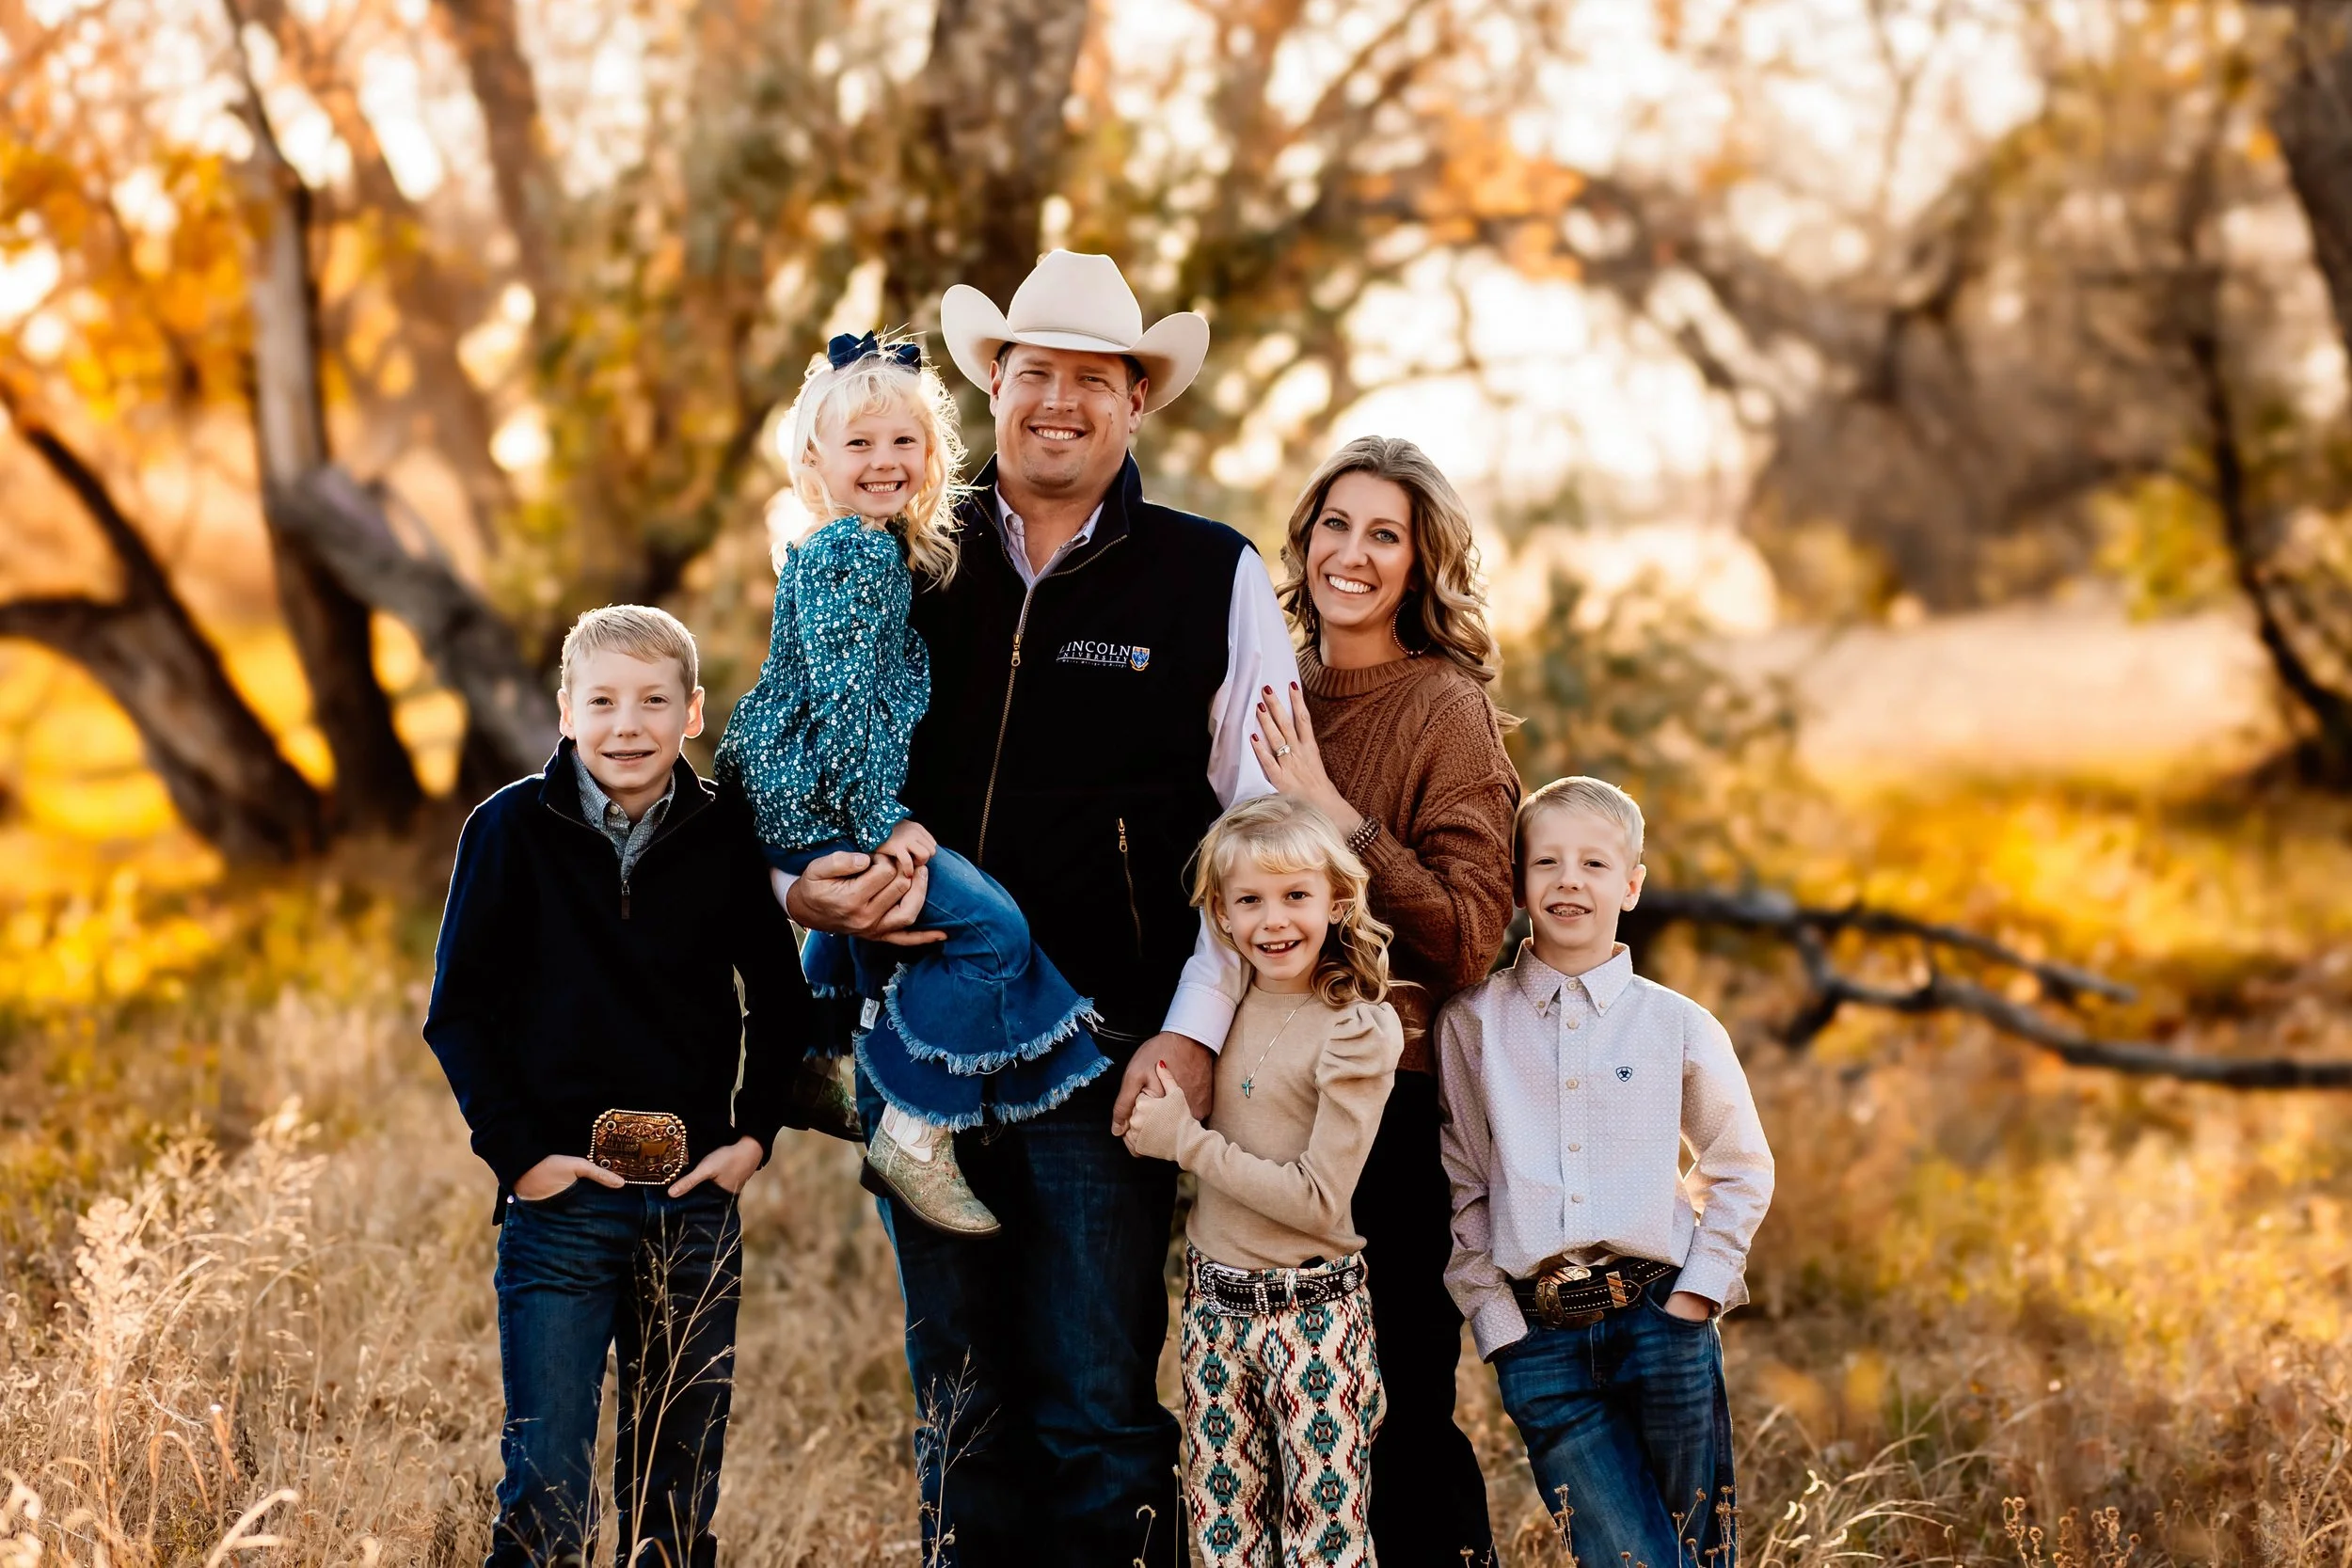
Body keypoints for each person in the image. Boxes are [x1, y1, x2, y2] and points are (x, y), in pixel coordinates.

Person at [776, 250, 1300, 1566]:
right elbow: (785, 746)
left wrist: (1190, 1031)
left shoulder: (1208, 576)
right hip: (921, 1055)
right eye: (1035, 372)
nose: (1058, 402)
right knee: (962, 1411)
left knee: (1097, 1415)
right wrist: (802, 886)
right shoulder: (896, 545)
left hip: (1107, 1060)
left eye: (1092, 379)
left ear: (1137, 402)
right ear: (996, 383)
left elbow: (1262, 837)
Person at [422, 604, 843, 1568]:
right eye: (603, 700)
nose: (627, 724)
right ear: (565, 711)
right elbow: (460, 1013)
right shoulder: (507, 830)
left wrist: (751, 1138)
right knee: (547, 1494)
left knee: (675, 1491)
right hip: (562, 1206)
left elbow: (780, 996)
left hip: (693, 1202)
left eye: (654, 701)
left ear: (691, 712)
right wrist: (523, 1157)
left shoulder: (726, 831)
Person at [714, 331, 1109, 1236]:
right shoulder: (856, 557)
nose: (886, 462)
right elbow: (849, 708)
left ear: (933, 451)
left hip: (788, 791)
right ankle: (918, 1129)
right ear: (813, 460)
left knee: (876, 929)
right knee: (995, 933)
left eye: (904, 441)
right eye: (859, 444)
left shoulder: (847, 546)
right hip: (824, 798)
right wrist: (882, 816)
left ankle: (818, 1059)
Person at [1216, 435, 1520, 1563]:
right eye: (1334, 525)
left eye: (1383, 533)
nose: (1352, 552)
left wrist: (1333, 810)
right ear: (1302, 539)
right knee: (1263, 1414)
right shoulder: (1259, 681)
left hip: (1382, 1111)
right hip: (1249, 1107)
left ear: (1419, 560)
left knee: (1392, 1404)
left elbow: (1469, 935)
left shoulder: (1444, 709)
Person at [1436, 777, 1774, 1568]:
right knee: (1628, 1555)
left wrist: (1696, 1295)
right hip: (1541, 1340)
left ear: (1632, 883)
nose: (1568, 880)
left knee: (1697, 1550)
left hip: (1663, 1319)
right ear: (1518, 881)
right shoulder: (1473, 1023)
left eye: (1593, 862)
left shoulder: (1677, 1023)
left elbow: (1740, 1164)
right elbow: (1466, 1185)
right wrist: (1500, 1328)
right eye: (1546, 861)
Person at [1124, 795, 1406, 1568]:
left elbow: (1321, 1199)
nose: (1273, 920)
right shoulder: (1224, 1006)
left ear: (1337, 899)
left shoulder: (1356, 1025)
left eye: (1295, 896)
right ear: (1219, 911)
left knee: (1327, 1544)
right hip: (1215, 1309)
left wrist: (1187, 1141)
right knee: (1224, 1540)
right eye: (1249, 900)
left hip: (1312, 1317)